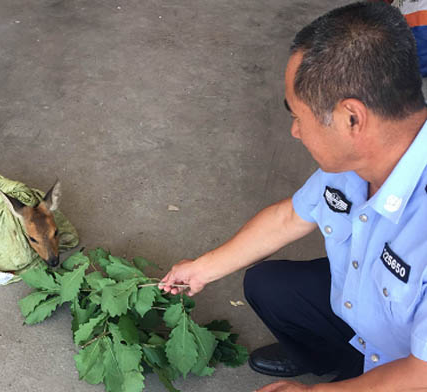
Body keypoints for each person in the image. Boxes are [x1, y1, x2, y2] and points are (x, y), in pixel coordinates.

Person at [159, 2, 427, 391]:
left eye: (298, 116)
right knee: (268, 286)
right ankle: (338, 360)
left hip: (415, 364)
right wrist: (201, 269)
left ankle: (353, 376)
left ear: (352, 118)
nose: (295, 132)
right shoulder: (360, 161)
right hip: (375, 317)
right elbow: (289, 217)